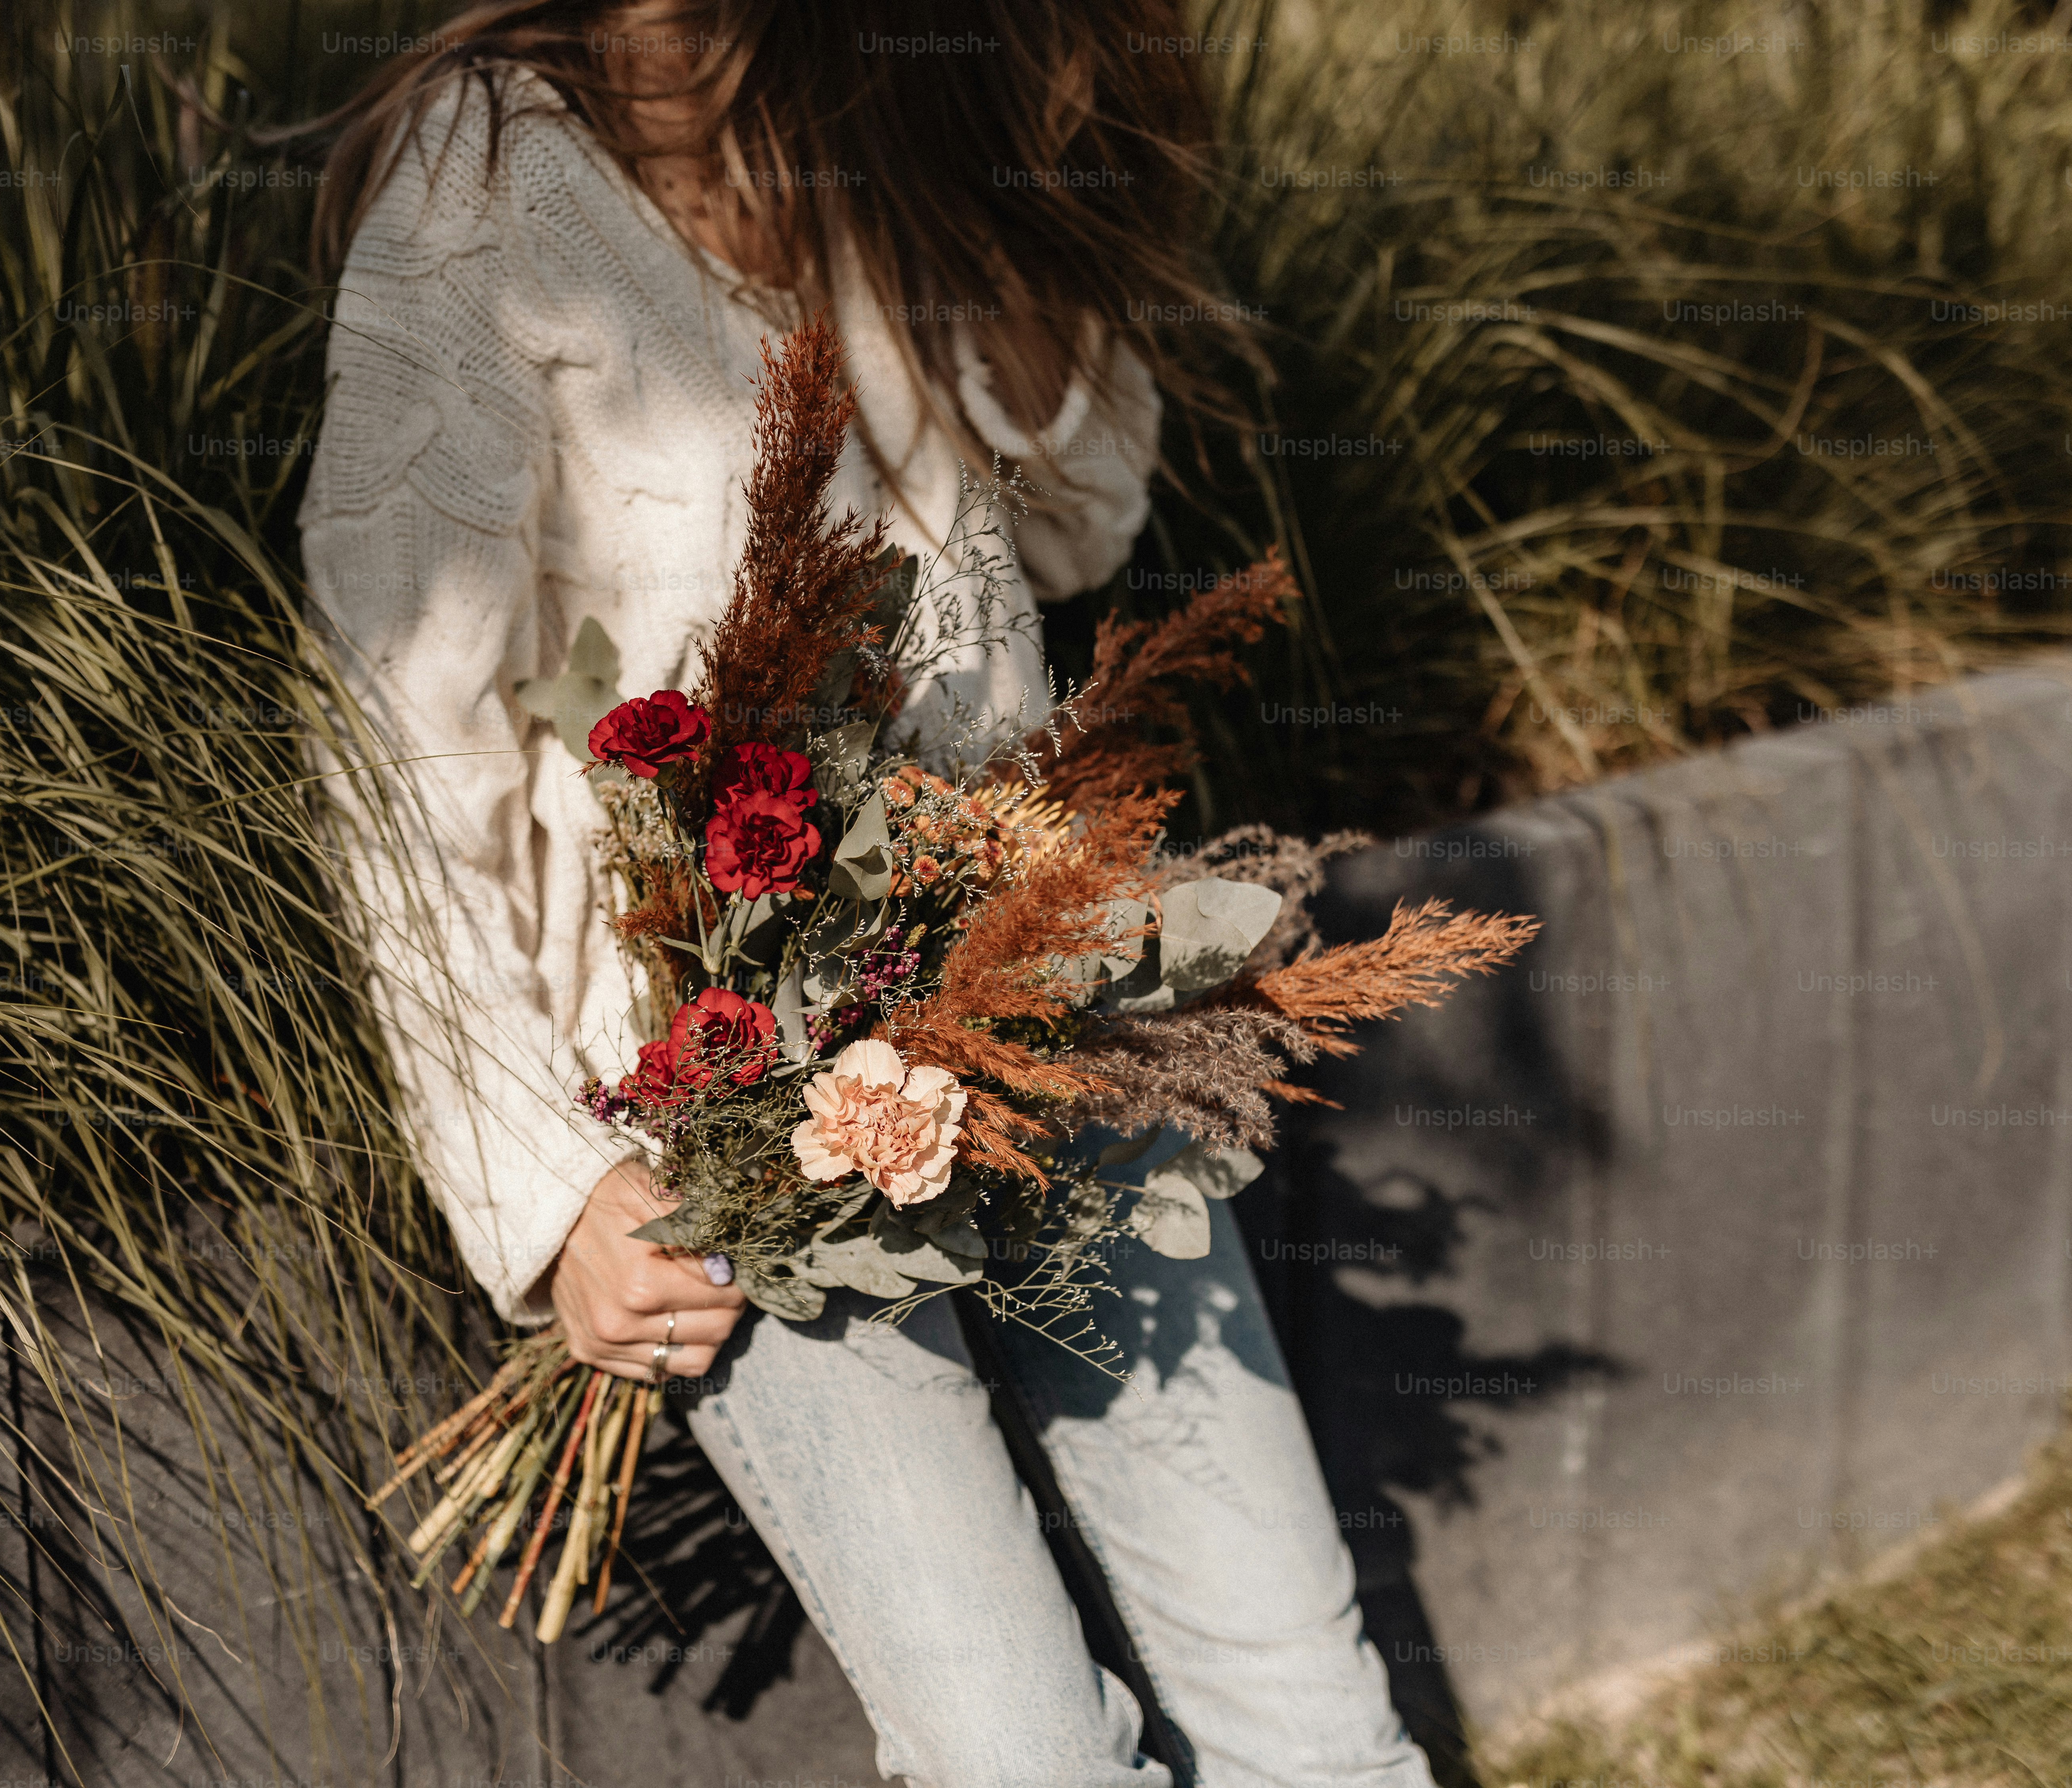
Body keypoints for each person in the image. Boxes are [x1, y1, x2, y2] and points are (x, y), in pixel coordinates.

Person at [298, 6, 1435, 1783]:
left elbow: (1079, 521)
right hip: (726, 1092)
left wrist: (1013, 167)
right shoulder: (494, 166)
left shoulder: (885, 95)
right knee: (1020, 1757)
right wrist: (546, 1181)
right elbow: (393, 712)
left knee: (1307, 1700)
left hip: (1036, 987)